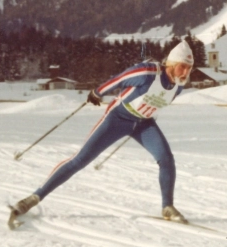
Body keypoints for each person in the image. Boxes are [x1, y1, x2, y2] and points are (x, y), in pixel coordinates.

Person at [11, 41, 195, 223]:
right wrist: (98, 92)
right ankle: (34, 198)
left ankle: (168, 207)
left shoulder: (178, 86)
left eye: (189, 68)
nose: (186, 73)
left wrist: (150, 110)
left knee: (166, 159)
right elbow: (120, 79)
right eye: (182, 67)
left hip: (143, 124)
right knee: (80, 160)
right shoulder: (148, 72)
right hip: (117, 120)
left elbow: (157, 99)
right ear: (171, 64)